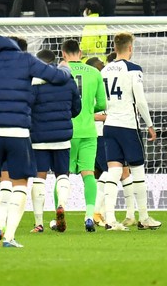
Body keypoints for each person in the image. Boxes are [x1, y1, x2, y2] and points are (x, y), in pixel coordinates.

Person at [0, 17, 72, 248]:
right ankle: (8, 236)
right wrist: (65, 71)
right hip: (18, 130)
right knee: (20, 182)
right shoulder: (26, 60)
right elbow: (58, 77)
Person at [97, 31, 160, 230]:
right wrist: (149, 124)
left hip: (109, 126)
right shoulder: (133, 69)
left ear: (115, 48)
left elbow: (100, 101)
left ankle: (109, 219)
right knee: (138, 171)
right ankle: (144, 218)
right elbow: (140, 100)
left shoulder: (104, 70)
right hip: (128, 126)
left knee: (113, 171)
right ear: (130, 48)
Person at [28, 48, 82, 234]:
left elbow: (27, 108)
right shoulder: (68, 80)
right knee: (62, 175)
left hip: (39, 138)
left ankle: (39, 222)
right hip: (62, 138)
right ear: (54, 61)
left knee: (39, 177)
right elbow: (77, 108)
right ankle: (60, 205)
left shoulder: (34, 83)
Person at [61, 37, 109, 233]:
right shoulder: (94, 72)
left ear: (63, 54)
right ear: (80, 54)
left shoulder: (59, 72)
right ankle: (89, 216)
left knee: (61, 176)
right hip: (89, 131)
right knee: (88, 174)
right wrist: (89, 107)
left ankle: (60, 213)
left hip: (65, 131)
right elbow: (102, 105)